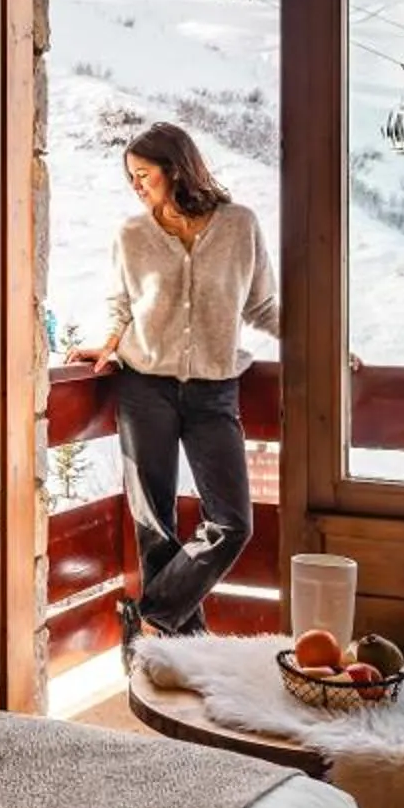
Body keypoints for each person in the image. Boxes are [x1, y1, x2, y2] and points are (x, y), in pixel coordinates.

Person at [67, 121, 279, 660]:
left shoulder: (239, 225)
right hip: (144, 386)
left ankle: (150, 620)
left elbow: (261, 307)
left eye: (144, 174)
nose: (136, 185)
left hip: (213, 392)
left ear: (176, 167)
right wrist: (108, 343)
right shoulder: (131, 236)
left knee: (232, 522)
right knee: (154, 525)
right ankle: (179, 658)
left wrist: (324, 345)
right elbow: (121, 304)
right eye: (130, 177)